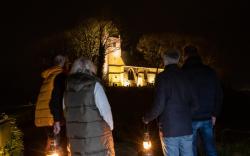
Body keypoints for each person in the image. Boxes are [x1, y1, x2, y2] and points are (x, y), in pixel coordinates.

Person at [54, 57, 115, 156]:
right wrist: (109, 129)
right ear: (91, 70)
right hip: (98, 142)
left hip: (76, 144)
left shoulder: (66, 91)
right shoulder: (95, 86)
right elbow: (107, 113)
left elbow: (66, 115)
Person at [143, 49, 198, 156]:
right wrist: (186, 116)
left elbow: (159, 105)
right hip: (186, 127)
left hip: (169, 128)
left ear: (165, 59)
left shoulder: (162, 77)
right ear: (178, 60)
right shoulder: (187, 76)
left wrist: (147, 118)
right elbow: (196, 104)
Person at [182, 45, 223, 156]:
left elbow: (179, 97)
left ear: (185, 56)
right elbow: (219, 94)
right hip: (208, 116)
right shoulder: (210, 71)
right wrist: (215, 114)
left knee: (191, 149)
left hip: (189, 118)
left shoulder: (182, 73)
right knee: (210, 148)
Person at [34, 54, 66, 152]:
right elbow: (58, 97)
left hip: (43, 115)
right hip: (53, 114)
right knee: (57, 146)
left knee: (49, 142)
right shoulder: (60, 75)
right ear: (63, 63)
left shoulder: (48, 76)